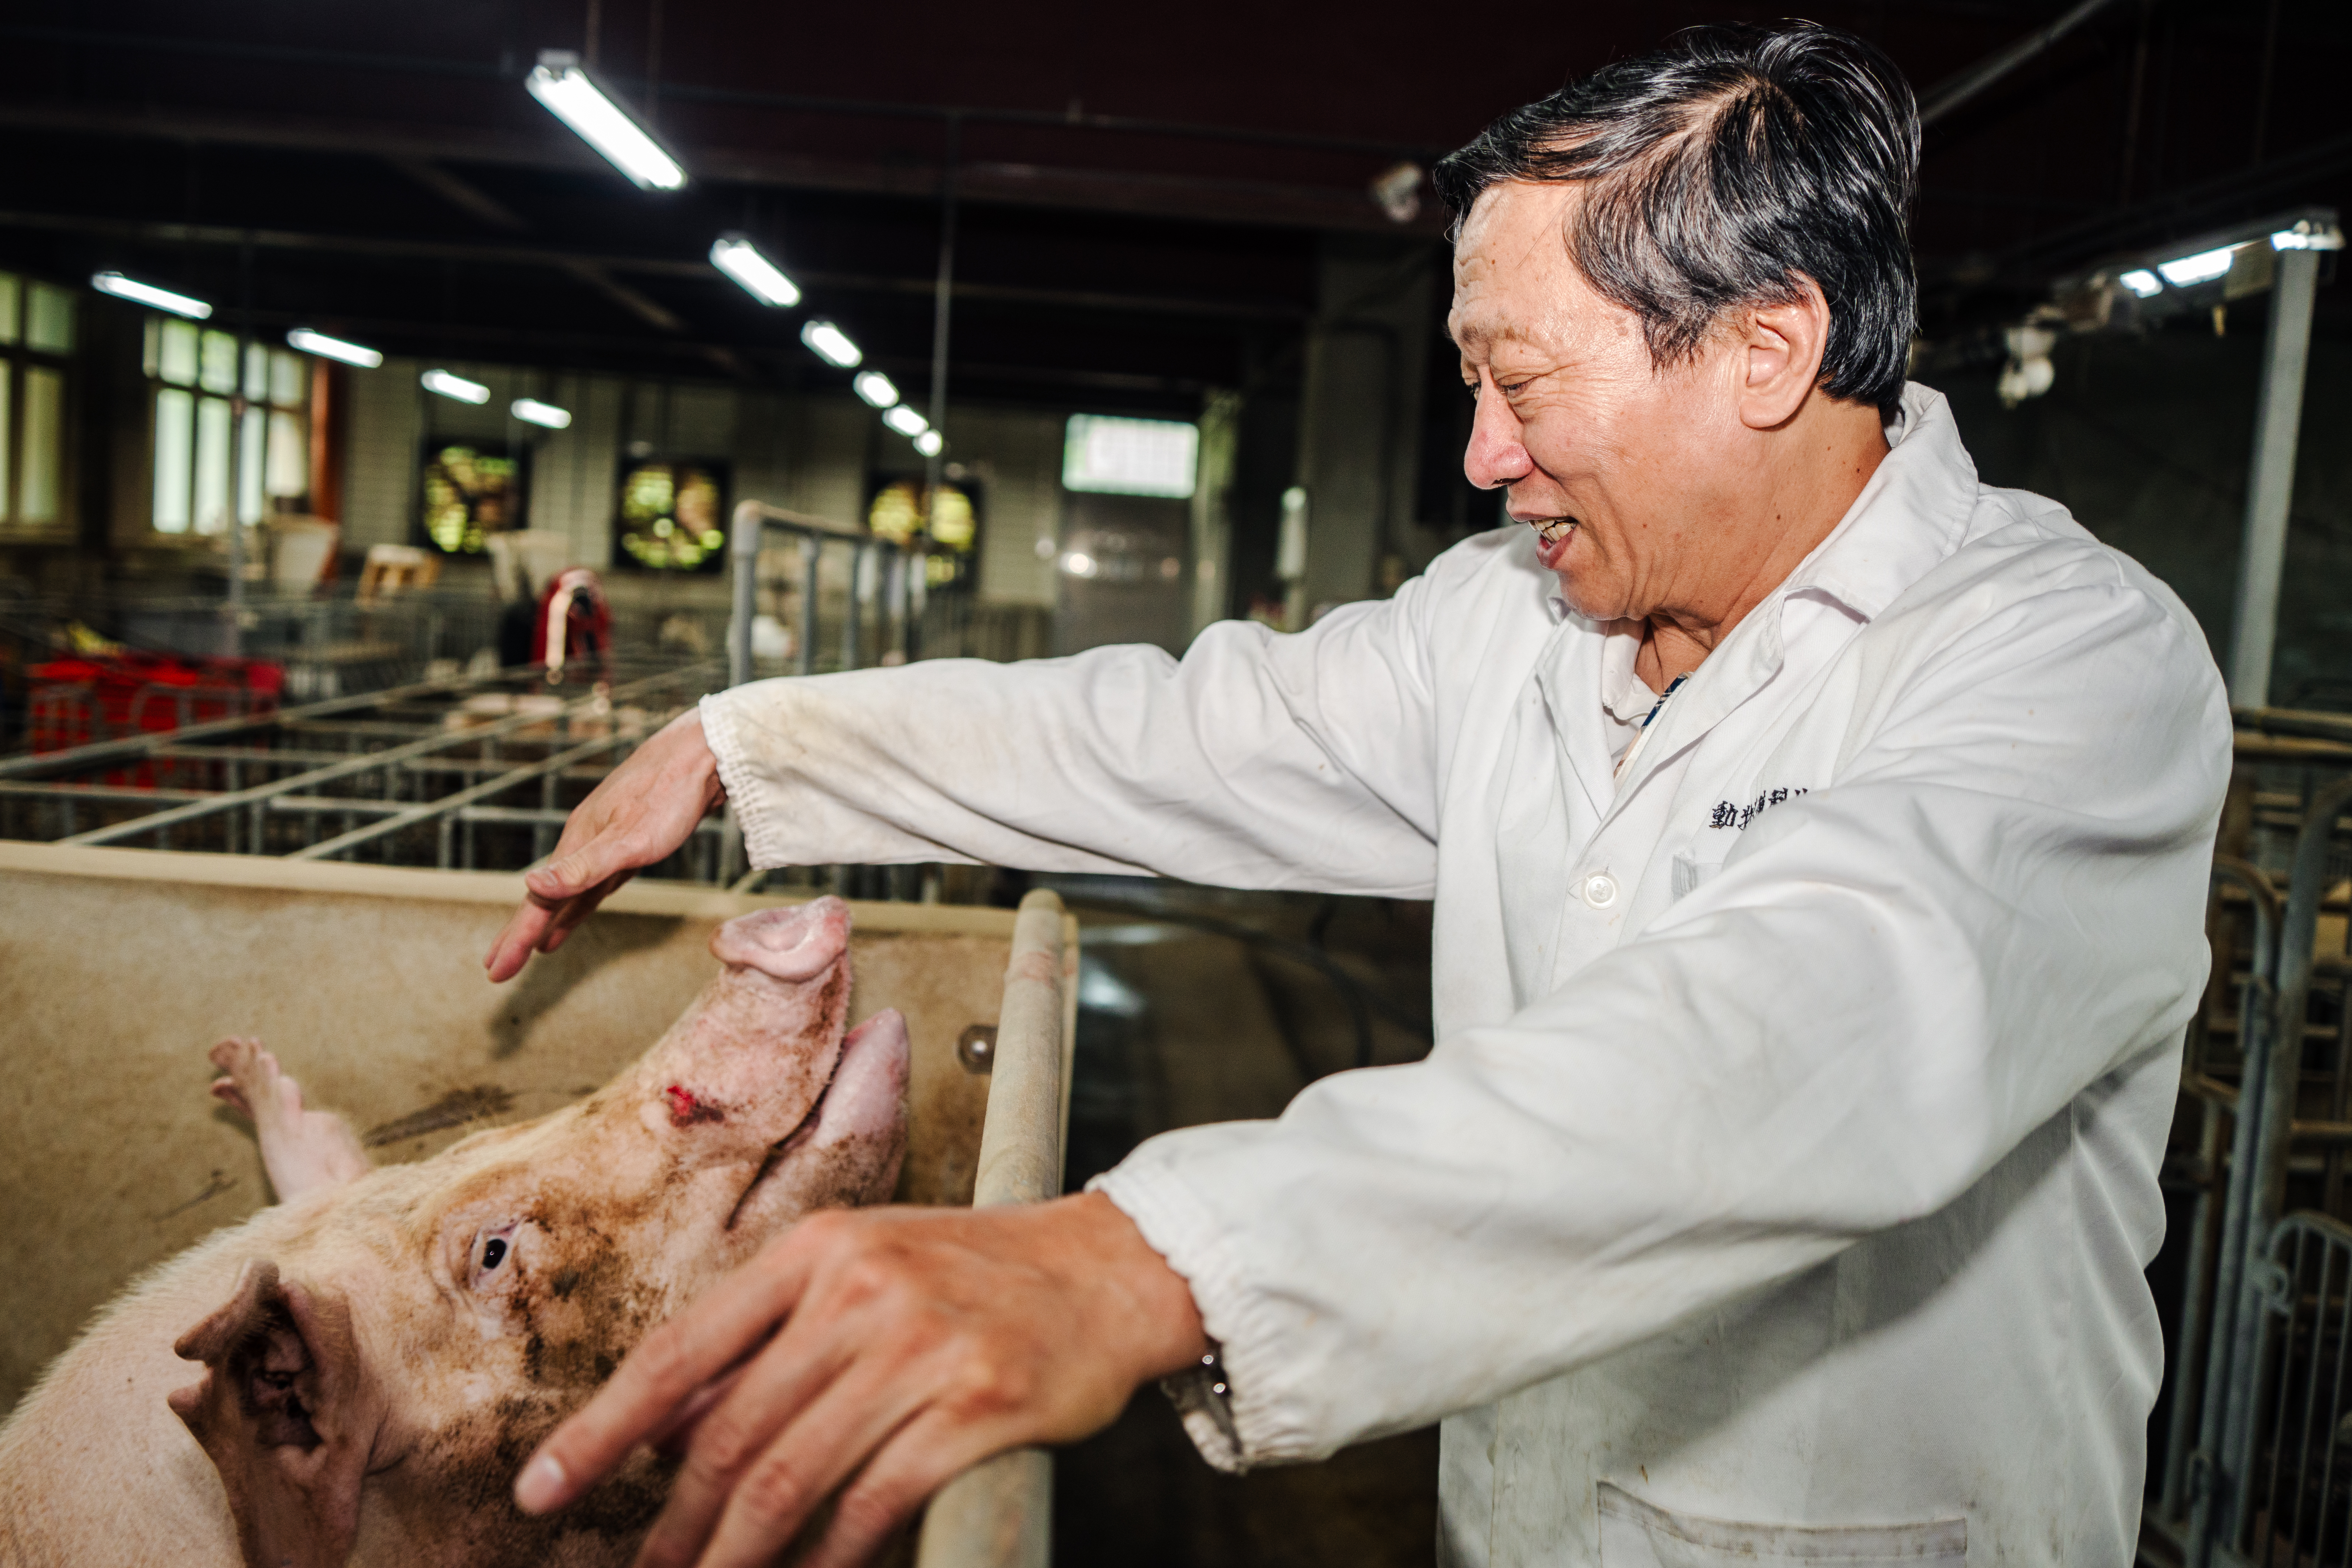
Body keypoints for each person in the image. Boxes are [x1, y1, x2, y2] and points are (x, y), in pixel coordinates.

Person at [488, 22, 2230, 1568]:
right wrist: (758, 740)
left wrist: (1137, 1255)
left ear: (1765, 350)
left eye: (1522, 379)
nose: (1479, 452)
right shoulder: (1511, 620)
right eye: (1470, 380)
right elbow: (1170, 736)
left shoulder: (2065, 665)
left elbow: (1796, 1023)